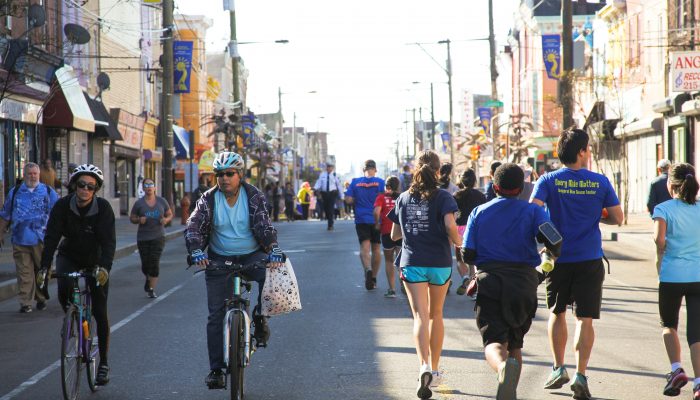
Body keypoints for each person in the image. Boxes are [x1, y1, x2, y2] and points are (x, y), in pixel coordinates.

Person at [530, 129, 623, 400]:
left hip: (556, 258)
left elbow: (533, 211)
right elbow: (617, 218)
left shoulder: (548, 180)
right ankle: (581, 374)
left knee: (557, 312)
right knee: (585, 318)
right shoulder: (600, 181)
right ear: (581, 152)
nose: (589, 152)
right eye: (588, 148)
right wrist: (596, 215)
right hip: (590, 257)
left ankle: (559, 368)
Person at [184, 151, 285, 390]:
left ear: (240, 175)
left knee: (269, 276)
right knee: (215, 315)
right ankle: (217, 369)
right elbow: (194, 226)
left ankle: (260, 319)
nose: (224, 178)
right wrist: (197, 250)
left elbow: (264, 224)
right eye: (219, 174)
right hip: (220, 260)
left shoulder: (253, 196)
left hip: (252, 255)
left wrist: (273, 249)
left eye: (229, 173)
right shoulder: (208, 199)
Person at [462, 163, 561, 400]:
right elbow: (555, 241)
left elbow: (467, 253)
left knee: (494, 343)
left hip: (491, 281)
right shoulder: (533, 212)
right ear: (521, 188)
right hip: (524, 282)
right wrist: (546, 256)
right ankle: (510, 392)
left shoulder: (479, 212)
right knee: (515, 344)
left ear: (494, 186)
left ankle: (501, 367)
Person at [387, 150, 461, 399]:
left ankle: (423, 366)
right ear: (439, 171)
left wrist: (412, 228)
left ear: (415, 170)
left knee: (420, 315)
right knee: (437, 314)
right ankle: (436, 370)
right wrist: (459, 242)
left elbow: (394, 236)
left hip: (412, 262)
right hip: (439, 262)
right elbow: (451, 225)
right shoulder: (444, 197)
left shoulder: (404, 198)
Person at [39, 164, 115, 386]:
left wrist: (104, 268)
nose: (85, 190)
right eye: (81, 184)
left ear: (95, 190)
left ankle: (104, 364)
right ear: (74, 185)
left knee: (100, 311)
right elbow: (52, 237)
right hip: (69, 254)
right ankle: (71, 316)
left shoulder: (103, 209)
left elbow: (109, 243)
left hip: (96, 258)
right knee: (63, 286)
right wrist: (44, 267)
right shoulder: (62, 206)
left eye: (91, 187)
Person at [652, 163, 700, 399]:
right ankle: (699, 383)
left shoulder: (663, 209)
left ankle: (676, 369)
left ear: (670, 185)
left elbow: (659, 240)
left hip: (671, 276)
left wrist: (668, 246)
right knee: (696, 333)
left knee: (669, 325)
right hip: (698, 277)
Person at [0, 162, 59, 313]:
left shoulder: (48, 191)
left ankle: (41, 298)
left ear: (39, 175)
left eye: (35, 174)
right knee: (24, 272)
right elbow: (6, 215)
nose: (32, 176)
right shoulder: (15, 192)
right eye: (29, 173)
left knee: (42, 270)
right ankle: (25, 302)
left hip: (42, 240)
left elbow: (59, 213)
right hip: (20, 239)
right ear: (24, 175)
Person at [129, 178, 173, 298]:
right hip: (143, 237)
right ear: (143, 188)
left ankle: (151, 288)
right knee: (145, 264)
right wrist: (138, 220)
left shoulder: (161, 201)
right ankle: (148, 279)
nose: (149, 187)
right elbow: (132, 217)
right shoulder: (139, 203)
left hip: (158, 236)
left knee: (154, 262)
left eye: (151, 184)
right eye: (146, 185)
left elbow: (169, 214)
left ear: (154, 187)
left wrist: (166, 219)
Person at [346, 159, 385, 290]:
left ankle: (367, 269)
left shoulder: (355, 182)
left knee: (364, 247)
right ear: (375, 169)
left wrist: (356, 198)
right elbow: (386, 198)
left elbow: (348, 199)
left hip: (361, 218)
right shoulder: (380, 182)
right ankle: (373, 277)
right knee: (376, 249)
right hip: (377, 219)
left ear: (363, 169)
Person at [453, 168, 486, 297]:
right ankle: (474, 289)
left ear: (461, 181)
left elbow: (453, 214)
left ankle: (465, 277)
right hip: (476, 229)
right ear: (475, 181)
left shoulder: (456, 195)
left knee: (460, 259)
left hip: (460, 229)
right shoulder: (481, 196)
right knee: (474, 260)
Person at [373, 176, 401, 298]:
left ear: (386, 186)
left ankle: (392, 289)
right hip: (401, 232)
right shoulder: (402, 197)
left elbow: (376, 211)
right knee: (402, 260)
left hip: (386, 232)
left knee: (389, 261)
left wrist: (377, 224)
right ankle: (405, 285)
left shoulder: (381, 197)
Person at [314, 161, 344, 231]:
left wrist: (342, 196)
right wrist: (315, 188)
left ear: (332, 168)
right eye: (328, 167)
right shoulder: (322, 175)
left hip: (332, 194)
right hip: (324, 193)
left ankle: (330, 224)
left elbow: (339, 186)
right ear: (326, 168)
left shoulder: (335, 175)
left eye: (330, 167)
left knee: (330, 208)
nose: (329, 168)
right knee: (326, 208)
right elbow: (319, 182)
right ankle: (329, 219)